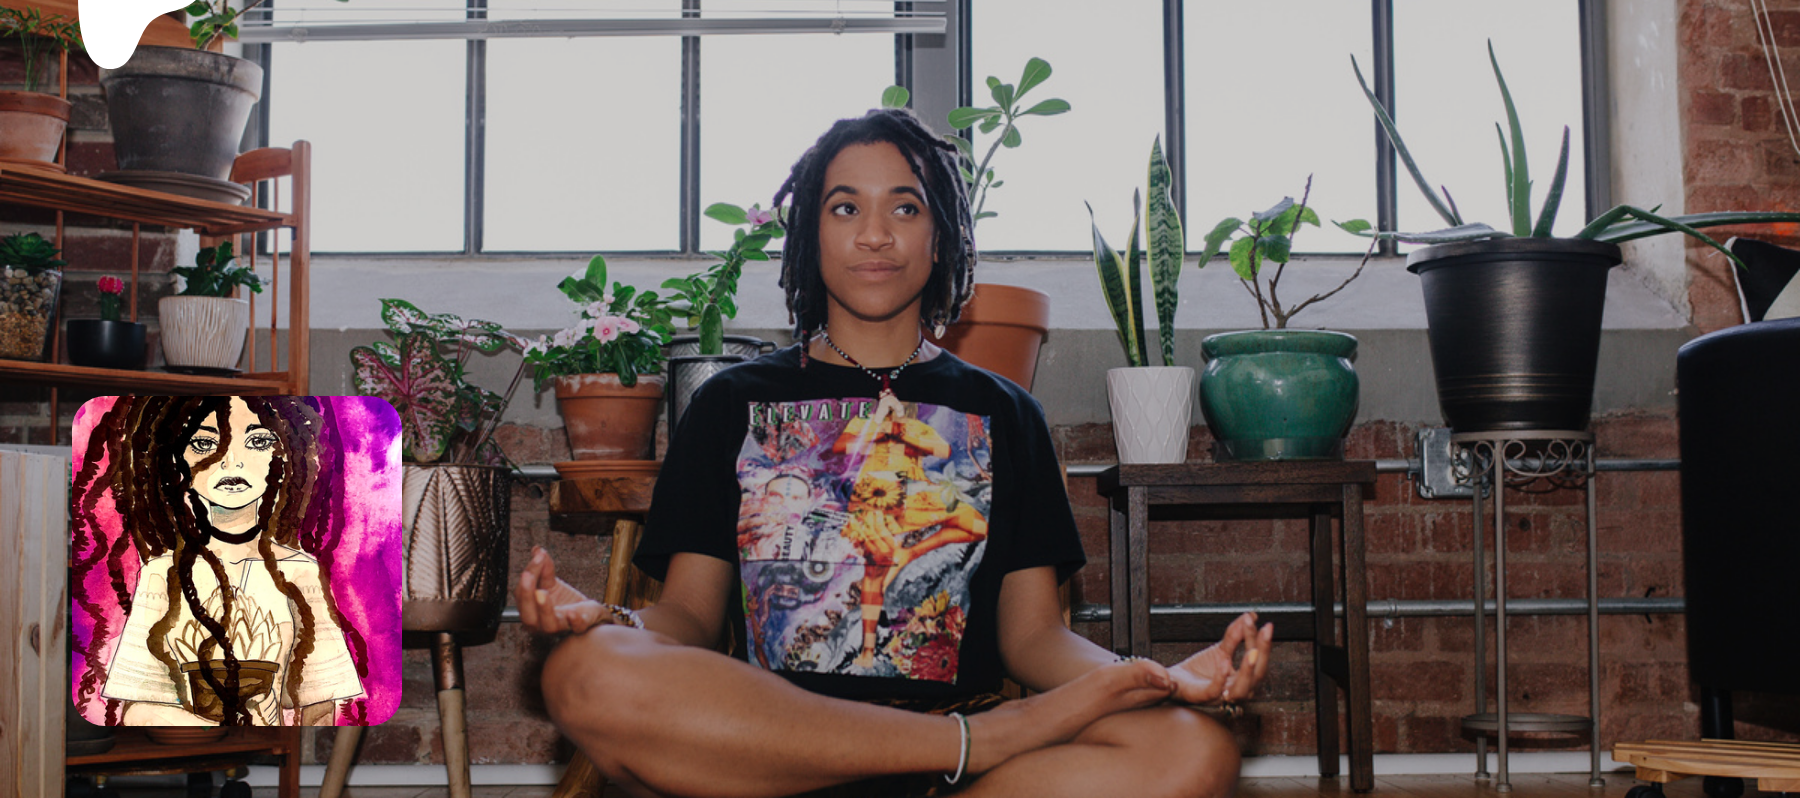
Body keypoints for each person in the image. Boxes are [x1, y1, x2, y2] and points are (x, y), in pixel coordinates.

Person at [518, 108, 1274, 798]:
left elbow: (1035, 638)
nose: (874, 234)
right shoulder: (730, 403)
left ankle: (966, 741)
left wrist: (1156, 681)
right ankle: (970, 740)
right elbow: (685, 615)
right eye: (845, 208)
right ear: (810, 235)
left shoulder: (1006, 412)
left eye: (904, 208)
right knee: (582, 672)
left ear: (938, 236)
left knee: (1193, 747)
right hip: (771, 755)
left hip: (957, 780)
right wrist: (606, 619)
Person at [71, 396, 366, 726]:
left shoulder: (300, 572)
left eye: (258, 441)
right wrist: (224, 731)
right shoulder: (162, 573)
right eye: (203, 443)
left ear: (284, 455)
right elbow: (139, 711)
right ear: (175, 460)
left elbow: (320, 703)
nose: (231, 461)